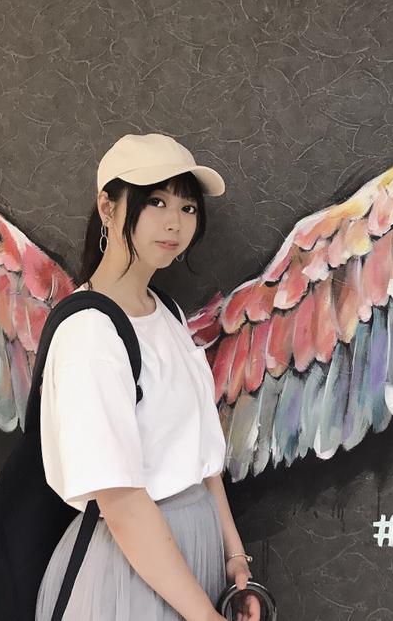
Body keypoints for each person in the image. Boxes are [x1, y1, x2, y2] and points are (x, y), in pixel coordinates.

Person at [35, 133, 260, 621]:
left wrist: (234, 556)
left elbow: (201, 456)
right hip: (131, 571)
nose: (174, 222)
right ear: (108, 207)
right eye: (156, 201)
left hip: (192, 555)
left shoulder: (166, 312)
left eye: (187, 207)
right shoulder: (90, 330)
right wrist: (205, 616)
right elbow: (121, 502)